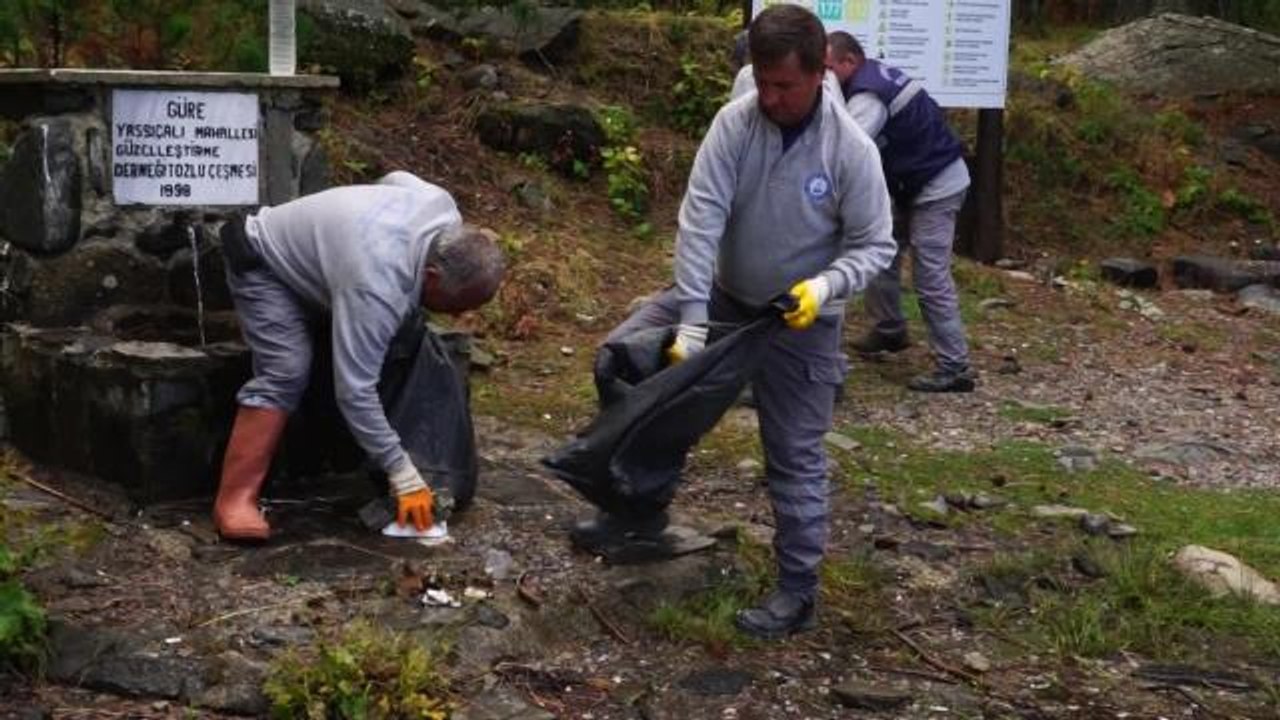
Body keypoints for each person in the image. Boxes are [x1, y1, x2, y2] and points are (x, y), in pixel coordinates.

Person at [576, 4, 895, 640]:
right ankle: (640, 512)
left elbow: (876, 246)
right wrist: (691, 318)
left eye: (784, 87)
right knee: (626, 363)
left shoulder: (850, 150)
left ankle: (798, 592)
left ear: (819, 75)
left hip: (799, 321)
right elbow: (701, 220)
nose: (770, 97)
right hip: (721, 301)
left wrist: (825, 286)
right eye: (763, 82)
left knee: (794, 454)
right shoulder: (736, 123)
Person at [212, 172, 505, 541]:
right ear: (430, 275)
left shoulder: (441, 210)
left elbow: (394, 178)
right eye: (457, 305)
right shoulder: (376, 284)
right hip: (264, 261)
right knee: (286, 371)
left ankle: (387, 455)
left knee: (406, 337)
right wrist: (402, 473)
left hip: (336, 268)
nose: (460, 317)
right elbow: (354, 390)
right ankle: (234, 500)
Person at [826, 31, 976, 392]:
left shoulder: (867, 97)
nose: (824, 76)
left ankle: (955, 366)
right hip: (912, 183)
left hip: (936, 186)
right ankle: (889, 329)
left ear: (850, 62)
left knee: (930, 275)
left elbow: (849, 152)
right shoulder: (869, 77)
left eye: (828, 68)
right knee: (879, 252)